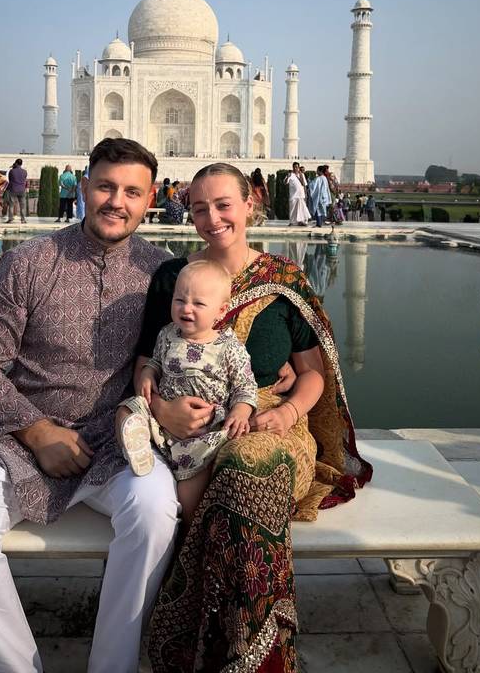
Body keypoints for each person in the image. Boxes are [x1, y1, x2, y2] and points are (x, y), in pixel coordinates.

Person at [0, 139, 180, 673]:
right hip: (19, 440)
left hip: (116, 442)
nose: (117, 201)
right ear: (84, 186)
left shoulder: (164, 275)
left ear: (150, 198)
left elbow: (179, 358)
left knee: (155, 512)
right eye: (106, 186)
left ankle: (113, 665)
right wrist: (37, 432)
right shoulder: (27, 264)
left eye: (132, 191)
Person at [138, 162, 372, 673]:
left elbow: (313, 375)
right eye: (199, 207)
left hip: (272, 427)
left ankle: (247, 649)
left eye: (224, 204)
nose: (211, 217)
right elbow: (145, 362)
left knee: (246, 470)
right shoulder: (174, 279)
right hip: (185, 432)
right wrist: (159, 407)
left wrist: (288, 411)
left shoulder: (283, 280)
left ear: (251, 205)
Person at [116, 259, 257, 525]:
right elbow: (156, 361)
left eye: (198, 304)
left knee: (188, 493)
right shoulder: (167, 334)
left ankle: (191, 538)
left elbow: (245, 386)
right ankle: (137, 449)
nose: (186, 309)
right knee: (126, 409)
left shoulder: (229, 347)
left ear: (220, 310)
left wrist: (241, 410)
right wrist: (148, 372)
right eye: (180, 300)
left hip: (202, 431)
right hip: (162, 418)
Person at [285, 161, 310, 226]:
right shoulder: (290, 174)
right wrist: (287, 177)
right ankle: (292, 222)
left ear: (298, 167)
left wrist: (305, 193)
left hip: (301, 195)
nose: (296, 168)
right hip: (293, 195)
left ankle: (302, 221)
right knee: (293, 209)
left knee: (302, 209)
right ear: (293, 167)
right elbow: (285, 182)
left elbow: (304, 184)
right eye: (294, 167)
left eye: (297, 167)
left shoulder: (302, 175)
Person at [6, 158, 28, 224]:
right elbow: (24, 180)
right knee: (22, 206)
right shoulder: (24, 171)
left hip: (13, 189)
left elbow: (10, 180)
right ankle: (23, 219)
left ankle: (10, 219)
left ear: (16, 163)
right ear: (21, 164)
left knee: (11, 205)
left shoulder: (12, 171)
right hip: (22, 189)